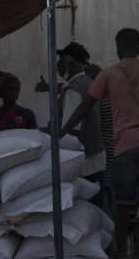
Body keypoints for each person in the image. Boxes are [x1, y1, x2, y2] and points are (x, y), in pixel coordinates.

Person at [61, 28, 139, 259]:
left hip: (125, 147)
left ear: (117, 48)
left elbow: (84, 106)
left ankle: (121, 255)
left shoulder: (108, 75)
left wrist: (61, 130)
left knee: (123, 204)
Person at [39, 43, 106, 179]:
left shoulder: (73, 90)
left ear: (69, 62)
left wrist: (46, 133)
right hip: (97, 158)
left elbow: (71, 132)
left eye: (61, 60)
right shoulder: (90, 83)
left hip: (85, 163)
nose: (58, 65)